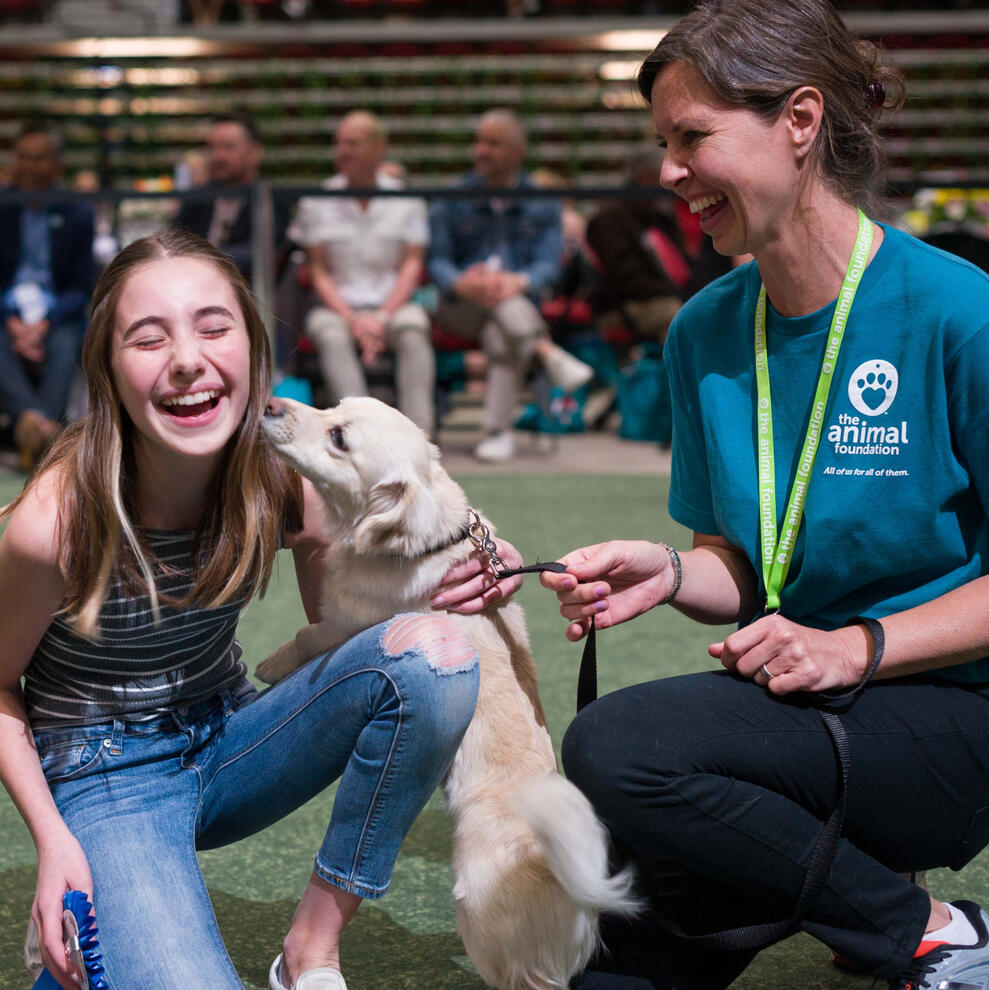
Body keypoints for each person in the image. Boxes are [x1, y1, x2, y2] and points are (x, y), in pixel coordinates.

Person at [541, 2, 989, 989]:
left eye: (690, 137)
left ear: (799, 120)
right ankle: (868, 883)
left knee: (619, 746)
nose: (668, 171)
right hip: (800, 715)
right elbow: (748, 572)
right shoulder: (703, 331)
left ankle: (929, 934)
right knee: (608, 974)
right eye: (663, 144)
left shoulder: (961, 312)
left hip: (954, 715)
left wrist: (854, 646)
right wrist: (669, 572)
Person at [0, 228, 525, 990]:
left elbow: (352, 635)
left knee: (437, 654)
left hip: (230, 736)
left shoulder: (280, 479)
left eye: (214, 328)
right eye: (148, 338)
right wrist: (55, 842)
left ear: (252, 348)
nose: (187, 358)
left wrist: (468, 562)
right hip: (107, 776)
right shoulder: (54, 523)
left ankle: (310, 948)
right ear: (107, 370)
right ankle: (108, 897)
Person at [428, 108, 594, 462]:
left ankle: (498, 432)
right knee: (503, 307)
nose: (481, 150)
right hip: (460, 306)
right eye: (479, 142)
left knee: (501, 331)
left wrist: (517, 281)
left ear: (518, 152)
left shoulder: (543, 201)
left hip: (514, 307)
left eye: (493, 143)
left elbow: (549, 266)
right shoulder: (452, 196)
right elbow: (437, 261)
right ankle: (546, 352)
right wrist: (462, 282)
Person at [290, 111, 436, 436]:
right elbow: (318, 270)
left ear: (378, 147)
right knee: (329, 334)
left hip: (394, 306)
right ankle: (362, 433)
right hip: (337, 308)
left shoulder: (407, 199)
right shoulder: (316, 200)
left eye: (352, 143)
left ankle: (420, 435)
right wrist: (353, 319)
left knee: (415, 329)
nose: (342, 151)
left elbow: (411, 265)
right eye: (339, 143)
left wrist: (381, 318)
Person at [0, 122, 94, 468]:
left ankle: (34, 427)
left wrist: (43, 324)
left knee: (67, 341)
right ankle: (43, 428)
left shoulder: (78, 212)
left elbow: (82, 288)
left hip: (57, 315)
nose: (29, 166)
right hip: (6, 312)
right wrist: (12, 322)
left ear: (57, 165)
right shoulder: (3, 207)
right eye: (23, 157)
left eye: (39, 158)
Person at [172, 112, 285, 280]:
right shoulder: (199, 197)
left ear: (254, 152)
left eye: (228, 147)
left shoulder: (269, 199)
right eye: (213, 148)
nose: (218, 156)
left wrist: (198, 257)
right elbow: (172, 244)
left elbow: (261, 254)